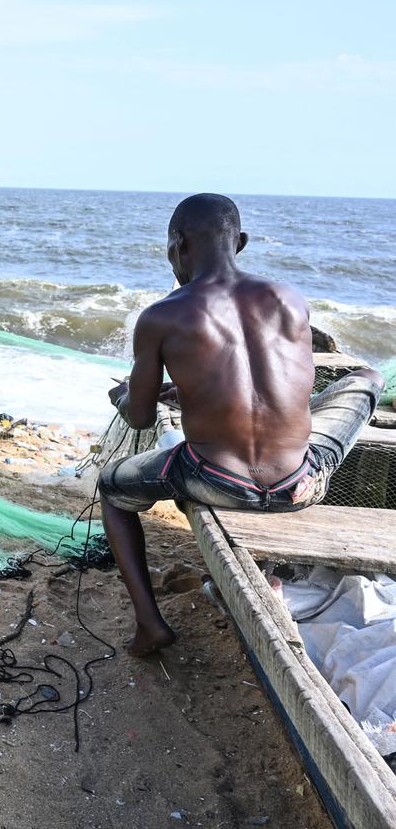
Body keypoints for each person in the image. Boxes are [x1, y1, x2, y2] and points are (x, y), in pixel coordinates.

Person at [100, 193, 384, 657]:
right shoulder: (289, 298)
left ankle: (151, 626)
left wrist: (123, 396)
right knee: (367, 379)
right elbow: (281, 384)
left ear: (177, 244)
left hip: (216, 480)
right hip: (302, 482)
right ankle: (310, 458)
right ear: (242, 242)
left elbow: (142, 416)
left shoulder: (163, 315)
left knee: (112, 491)